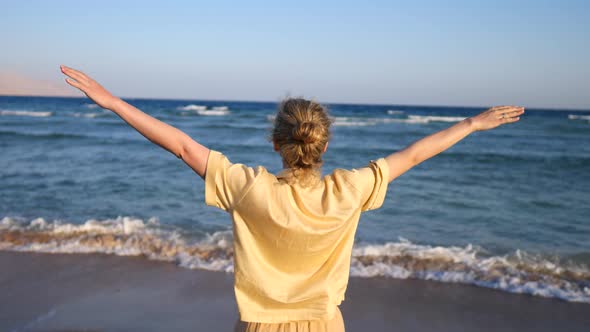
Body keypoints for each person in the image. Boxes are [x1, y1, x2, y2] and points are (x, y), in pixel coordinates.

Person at [60, 65, 525, 331]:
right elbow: (412, 155)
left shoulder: (248, 188)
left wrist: (115, 102)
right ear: (324, 146)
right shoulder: (350, 189)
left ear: (276, 144)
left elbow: (181, 145)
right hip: (324, 325)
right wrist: (469, 124)